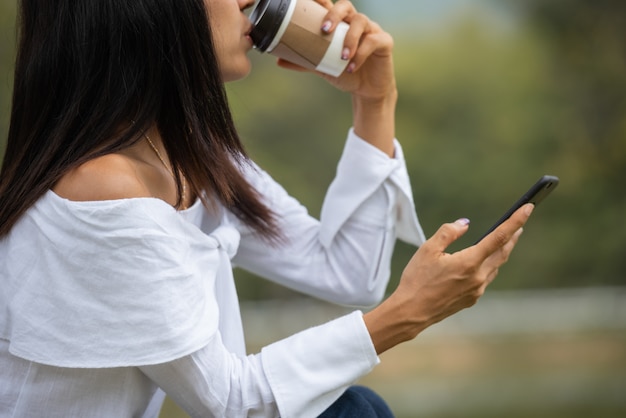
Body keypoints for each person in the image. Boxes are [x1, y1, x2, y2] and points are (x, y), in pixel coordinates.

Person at [0, 0, 532, 417]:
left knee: (346, 409)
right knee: (351, 412)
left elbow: (349, 272)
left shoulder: (192, 158)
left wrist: (374, 100)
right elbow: (230, 403)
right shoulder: (102, 190)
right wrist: (407, 314)